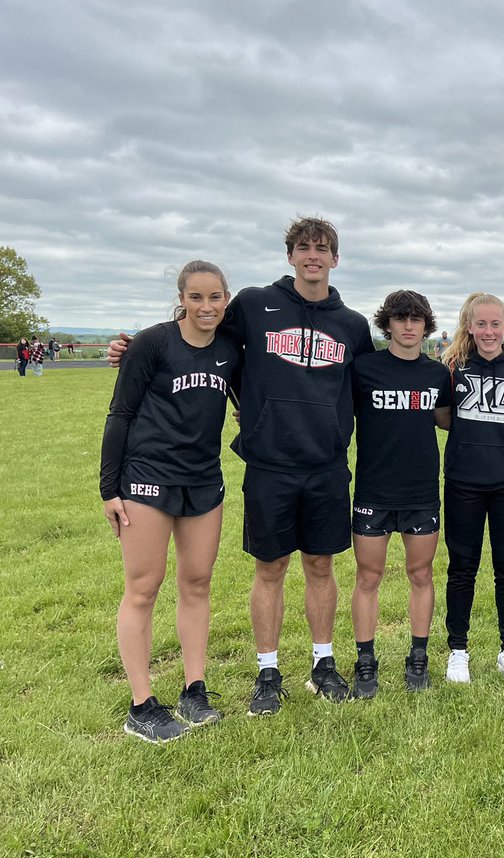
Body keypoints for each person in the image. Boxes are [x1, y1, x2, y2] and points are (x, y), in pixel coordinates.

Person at [110, 217, 375, 713]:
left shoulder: (353, 325)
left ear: (336, 259)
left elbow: (366, 383)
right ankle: (268, 671)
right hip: (269, 463)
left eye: (322, 249)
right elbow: (198, 333)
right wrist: (133, 348)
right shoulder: (254, 304)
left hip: (327, 464)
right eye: (303, 247)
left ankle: (323, 663)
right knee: (270, 566)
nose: (313, 255)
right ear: (290, 255)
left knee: (321, 564)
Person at [100, 260, 240, 742]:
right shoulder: (153, 343)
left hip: (203, 480)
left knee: (197, 582)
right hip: (147, 478)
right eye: (196, 297)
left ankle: (194, 689)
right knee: (144, 587)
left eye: (215, 297)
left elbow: (251, 399)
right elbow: (120, 413)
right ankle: (141, 705)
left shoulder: (230, 350)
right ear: (182, 297)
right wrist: (109, 489)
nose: (207, 306)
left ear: (227, 298)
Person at [349, 290, 452, 696]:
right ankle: (366, 661)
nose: (408, 326)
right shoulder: (363, 369)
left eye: (416, 319)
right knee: (368, 576)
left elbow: (446, 420)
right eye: (400, 318)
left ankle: (418, 658)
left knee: (421, 574)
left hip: (421, 491)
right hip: (374, 489)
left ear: (426, 325)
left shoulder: (437, 374)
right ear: (386, 323)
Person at [442, 292, 504, 684]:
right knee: (462, 567)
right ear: (469, 326)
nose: (488, 331)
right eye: (480, 323)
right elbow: (444, 416)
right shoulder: (453, 367)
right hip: (464, 482)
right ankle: (458, 651)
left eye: (495, 323)